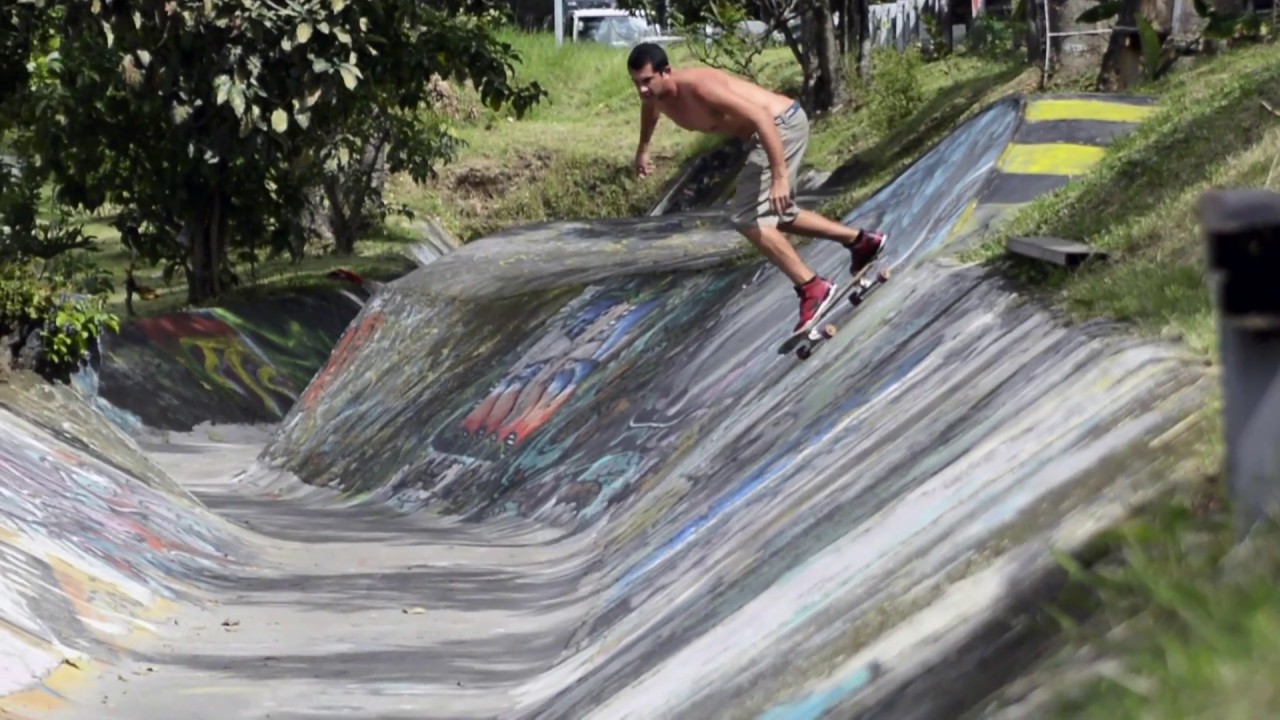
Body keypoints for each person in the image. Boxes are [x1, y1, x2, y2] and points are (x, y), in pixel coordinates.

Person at [626, 42, 887, 334]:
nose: (642, 90)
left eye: (647, 81)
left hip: (779, 127)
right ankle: (861, 242)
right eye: (637, 83)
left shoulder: (700, 88)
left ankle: (813, 287)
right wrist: (643, 149)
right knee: (778, 213)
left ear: (667, 72)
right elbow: (649, 111)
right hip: (768, 134)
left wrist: (779, 176)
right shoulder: (655, 98)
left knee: (747, 217)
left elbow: (762, 118)